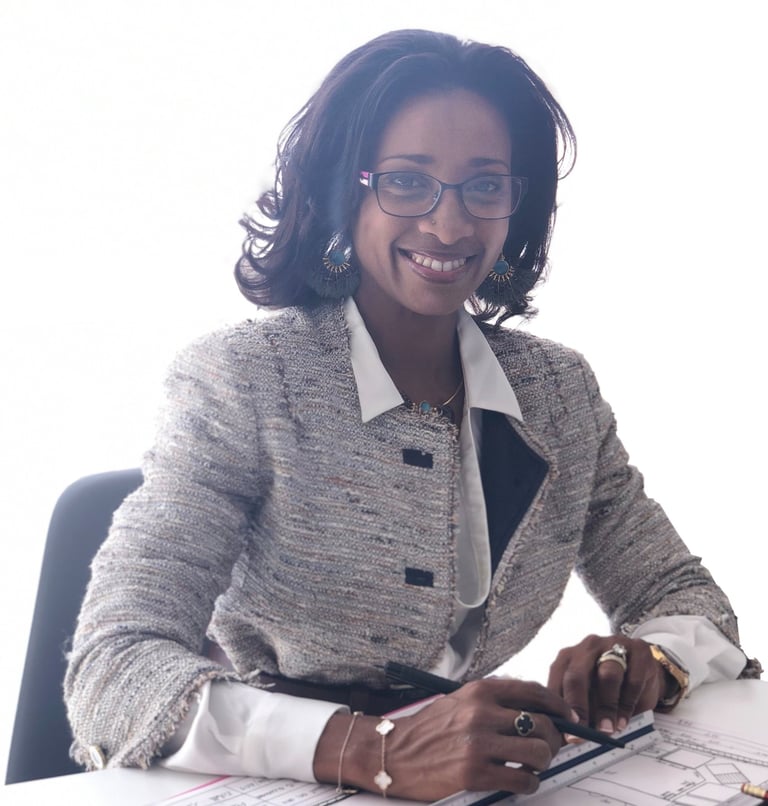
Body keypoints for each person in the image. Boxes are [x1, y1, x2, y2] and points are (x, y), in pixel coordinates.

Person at [64, 28, 760, 800]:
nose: (450, 225)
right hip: (271, 777)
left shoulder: (556, 392)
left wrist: (649, 660)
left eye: (485, 185)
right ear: (344, 188)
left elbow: (687, 597)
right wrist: (372, 749)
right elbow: (112, 668)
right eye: (407, 181)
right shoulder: (245, 381)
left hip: (487, 775)